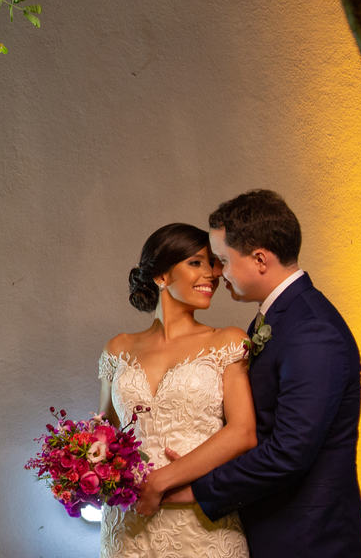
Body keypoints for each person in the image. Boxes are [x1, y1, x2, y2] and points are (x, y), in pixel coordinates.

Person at [147, 190, 361, 557]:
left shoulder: (312, 330)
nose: (216, 273)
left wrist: (197, 489)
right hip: (272, 530)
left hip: (310, 540)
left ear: (260, 259)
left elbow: (289, 452)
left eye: (222, 260)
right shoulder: (278, 318)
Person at [98, 223, 255, 558]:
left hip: (201, 526)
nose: (212, 274)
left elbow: (242, 433)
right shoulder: (117, 349)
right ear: (161, 276)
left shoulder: (228, 341)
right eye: (196, 262)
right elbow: (104, 432)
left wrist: (162, 480)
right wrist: (78, 468)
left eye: (213, 263)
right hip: (128, 527)